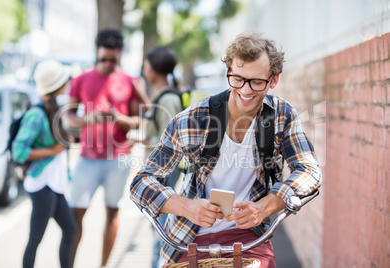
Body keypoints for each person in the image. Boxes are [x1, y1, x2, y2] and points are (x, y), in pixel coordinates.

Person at [130, 32, 322, 268]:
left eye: (257, 81)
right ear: (228, 73)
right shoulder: (193, 119)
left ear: (274, 80)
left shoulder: (282, 115)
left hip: (251, 236)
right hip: (189, 237)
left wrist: (263, 207)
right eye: (238, 79)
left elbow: (309, 171)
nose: (246, 90)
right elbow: (141, 182)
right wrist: (187, 207)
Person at [64, 28, 150, 267]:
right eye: (104, 59)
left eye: (114, 59)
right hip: (87, 159)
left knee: (112, 213)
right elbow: (68, 117)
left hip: (118, 159)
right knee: (75, 217)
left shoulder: (129, 81)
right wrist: (86, 119)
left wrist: (118, 118)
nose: (109, 64)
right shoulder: (81, 79)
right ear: (96, 53)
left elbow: (140, 119)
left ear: (120, 54)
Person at [12, 60, 76, 268]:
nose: (68, 82)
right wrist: (53, 150)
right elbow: (19, 150)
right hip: (43, 185)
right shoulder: (36, 114)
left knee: (70, 230)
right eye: (65, 79)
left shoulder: (54, 108)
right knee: (35, 239)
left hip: (54, 184)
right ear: (57, 84)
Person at [140, 46, 182, 268]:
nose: (144, 69)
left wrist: (150, 143)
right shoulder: (163, 95)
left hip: (165, 173)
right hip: (163, 172)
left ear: (154, 70)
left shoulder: (167, 99)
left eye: (146, 65)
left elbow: (173, 143)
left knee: (162, 228)